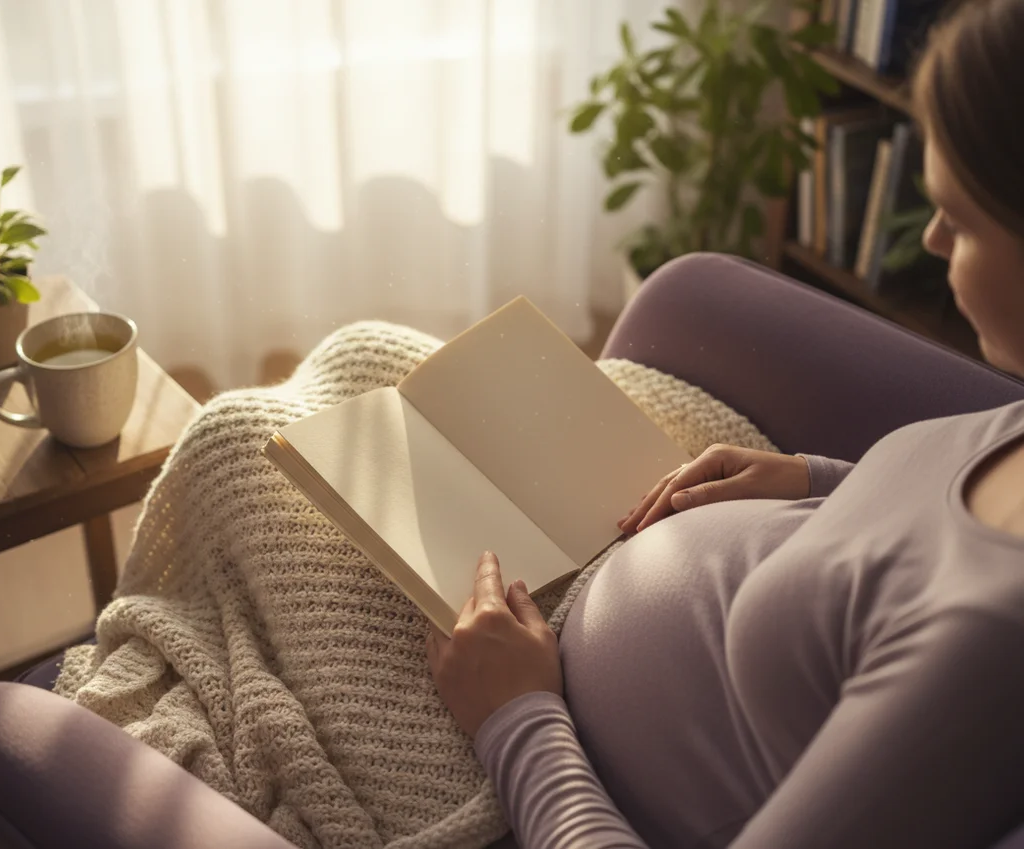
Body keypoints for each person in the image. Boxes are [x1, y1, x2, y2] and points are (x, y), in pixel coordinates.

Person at [425, 0, 1024, 846]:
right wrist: (821, 479)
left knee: (249, 456)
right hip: (606, 620)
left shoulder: (992, 654)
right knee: (370, 364)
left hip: (549, 761)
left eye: (958, 221)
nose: (927, 240)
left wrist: (515, 720)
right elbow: (947, 533)